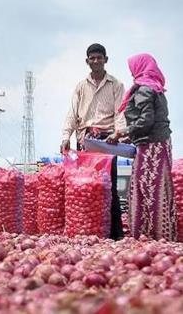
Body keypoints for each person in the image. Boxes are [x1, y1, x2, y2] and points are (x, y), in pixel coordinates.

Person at [106, 53, 175, 241]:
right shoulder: (157, 88)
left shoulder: (145, 89)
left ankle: (148, 235)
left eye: (132, 68)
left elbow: (146, 120)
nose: (131, 73)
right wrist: (131, 136)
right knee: (158, 188)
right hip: (159, 144)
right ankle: (161, 234)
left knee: (146, 190)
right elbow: (150, 122)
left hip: (150, 148)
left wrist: (121, 132)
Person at [60, 43, 125, 240]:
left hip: (107, 140)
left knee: (109, 186)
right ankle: (85, 232)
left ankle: (114, 235)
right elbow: (72, 114)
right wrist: (65, 136)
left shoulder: (116, 85)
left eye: (99, 57)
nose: (96, 61)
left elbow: (120, 112)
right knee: (85, 185)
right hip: (85, 140)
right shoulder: (81, 86)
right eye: (92, 58)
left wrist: (119, 132)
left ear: (106, 59)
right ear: (87, 61)